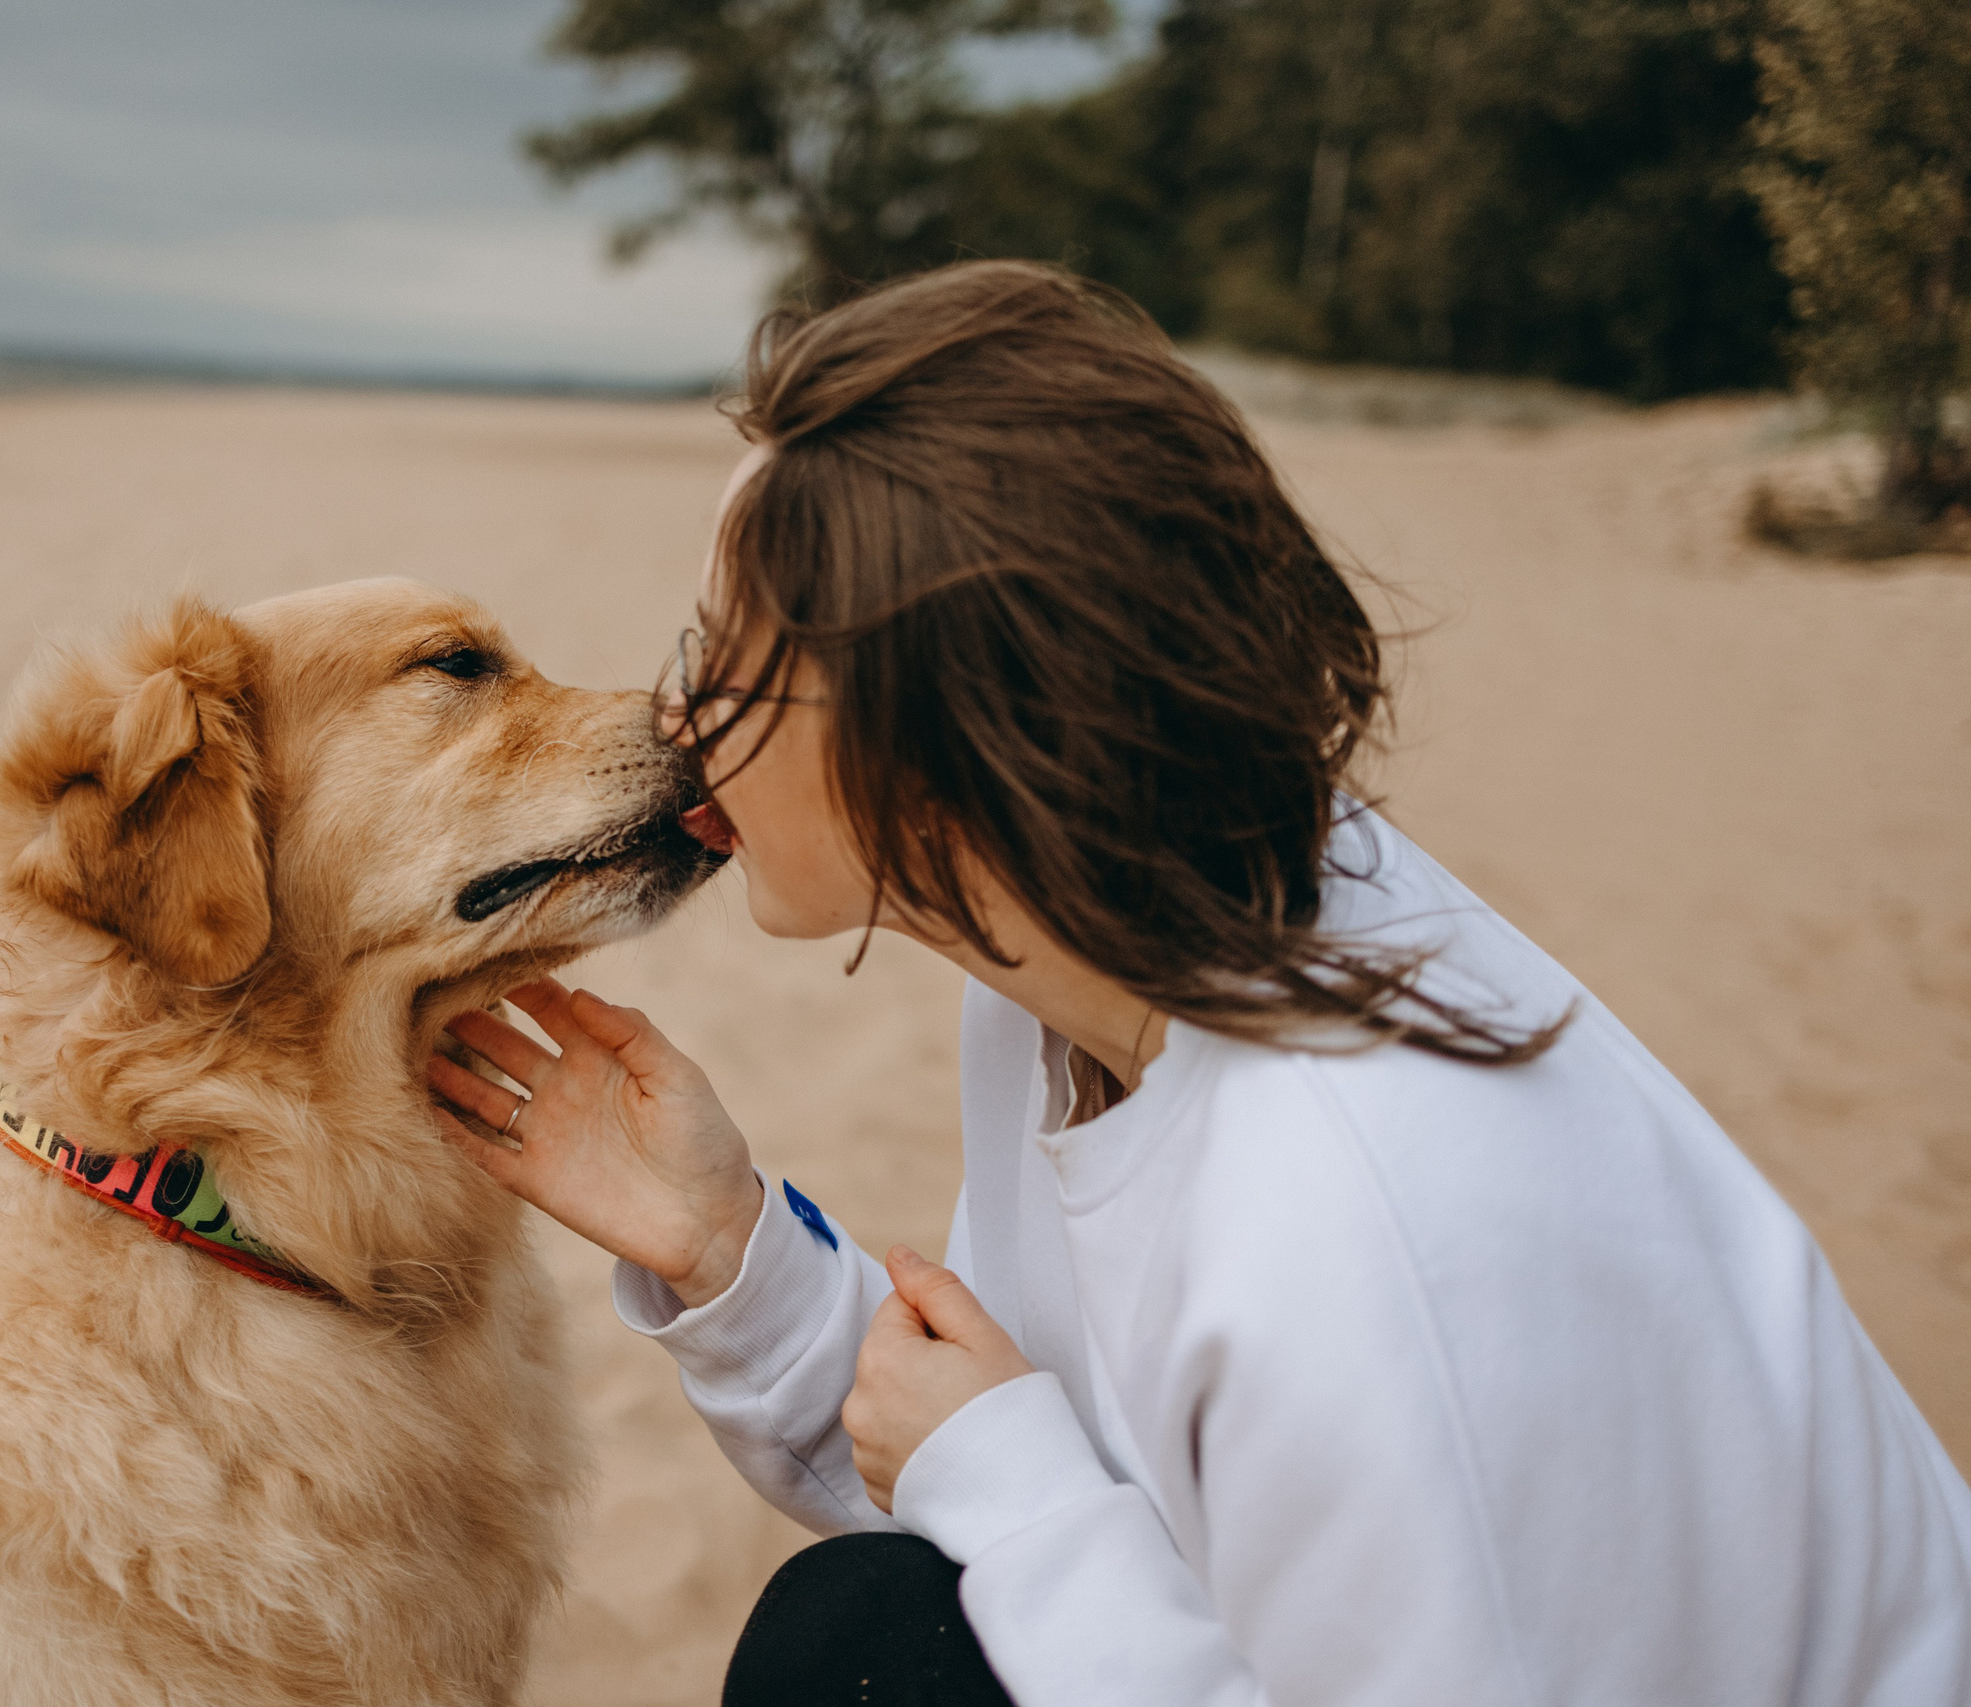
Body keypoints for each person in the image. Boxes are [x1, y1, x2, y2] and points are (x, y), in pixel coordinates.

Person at [424, 261, 1971, 1706]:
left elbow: (1038, 1499)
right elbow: (1026, 1459)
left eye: (726, 661)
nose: (677, 718)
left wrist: (1012, 1491)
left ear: (942, 745)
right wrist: (730, 1250)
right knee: (861, 1643)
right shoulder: (1098, 950)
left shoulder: (1372, 1237)